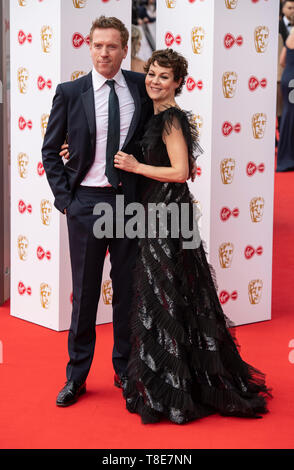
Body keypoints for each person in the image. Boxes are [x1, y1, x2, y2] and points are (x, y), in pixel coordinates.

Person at [114, 48, 272, 424]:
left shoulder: (170, 120)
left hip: (168, 214)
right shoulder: (152, 115)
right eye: (151, 73)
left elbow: (181, 171)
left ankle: (175, 386)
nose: (154, 81)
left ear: (178, 83)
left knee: (165, 294)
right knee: (169, 294)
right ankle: (171, 378)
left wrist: (136, 165)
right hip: (156, 211)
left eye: (164, 76)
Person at [42, 16, 154, 407]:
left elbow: (158, 136)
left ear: (125, 49)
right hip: (86, 205)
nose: (104, 52)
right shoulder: (70, 93)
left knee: (127, 294)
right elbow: (49, 151)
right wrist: (66, 202)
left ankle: (125, 372)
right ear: (88, 46)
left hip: (129, 204)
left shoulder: (142, 89)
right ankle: (76, 376)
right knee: (85, 296)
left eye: (112, 46)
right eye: (98, 45)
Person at [276, 23, 294, 172]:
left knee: (288, 115)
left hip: (288, 78)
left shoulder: (291, 32)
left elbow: (282, 61)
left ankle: (286, 158)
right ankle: (287, 159)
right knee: (290, 117)